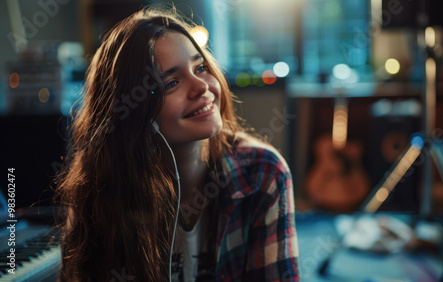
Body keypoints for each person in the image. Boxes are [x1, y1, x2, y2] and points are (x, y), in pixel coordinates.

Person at [55, 7, 299, 282]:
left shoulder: (263, 172)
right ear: (131, 110)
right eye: (171, 83)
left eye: (201, 67)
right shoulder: (98, 185)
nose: (201, 87)